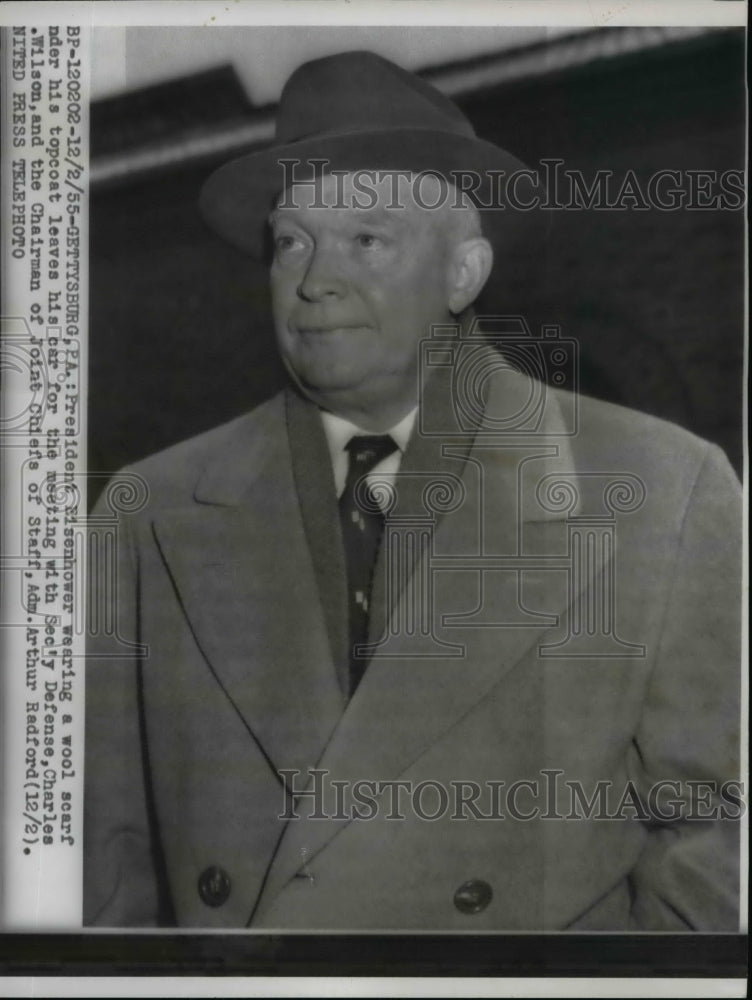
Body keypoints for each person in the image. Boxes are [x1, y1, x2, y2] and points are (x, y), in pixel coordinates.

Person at [84, 50, 742, 930]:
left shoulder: (666, 489)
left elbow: (716, 842)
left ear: (463, 273)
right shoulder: (147, 513)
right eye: (291, 241)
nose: (314, 279)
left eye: (367, 238)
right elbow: (102, 868)